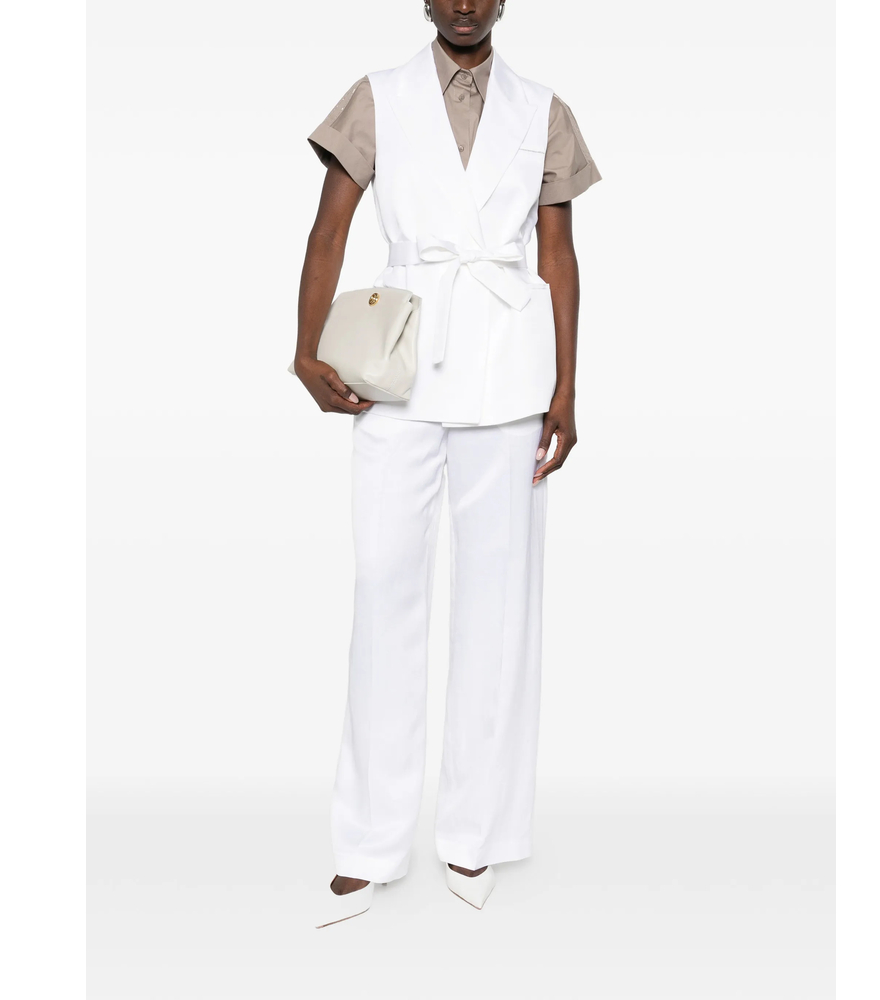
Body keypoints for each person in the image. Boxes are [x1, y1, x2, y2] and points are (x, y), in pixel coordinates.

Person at [291, 0, 601, 927]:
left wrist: (566, 388)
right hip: (398, 364)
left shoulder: (543, 108)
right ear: (424, 1)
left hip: (509, 372)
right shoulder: (377, 96)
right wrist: (305, 351)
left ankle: (477, 831)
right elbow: (329, 229)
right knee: (383, 593)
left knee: (497, 608)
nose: (465, 2)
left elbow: (558, 252)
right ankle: (368, 843)